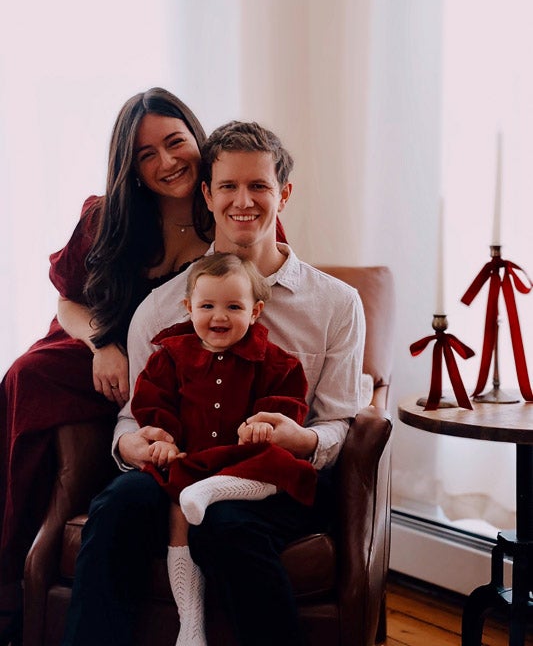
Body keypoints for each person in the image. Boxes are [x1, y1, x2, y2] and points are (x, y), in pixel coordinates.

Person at [62, 120, 367, 646]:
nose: (242, 201)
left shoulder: (336, 304)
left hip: (271, 479)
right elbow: (134, 413)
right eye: (227, 186)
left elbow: (339, 419)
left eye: (259, 186)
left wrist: (304, 440)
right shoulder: (161, 308)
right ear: (207, 193)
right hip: (178, 465)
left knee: (226, 525)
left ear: (283, 194)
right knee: (116, 509)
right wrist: (130, 443)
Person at [0, 87, 213, 644]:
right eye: (146, 155)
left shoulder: (228, 208)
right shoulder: (106, 217)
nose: (166, 162)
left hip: (176, 368)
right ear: (131, 167)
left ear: (196, 138)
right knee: (26, 376)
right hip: (98, 347)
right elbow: (66, 299)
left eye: (174, 143)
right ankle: (11, 570)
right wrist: (101, 343)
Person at [131, 252, 317, 645]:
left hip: (248, 463)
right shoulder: (170, 357)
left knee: (276, 465)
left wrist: (265, 424)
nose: (220, 316)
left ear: (255, 312)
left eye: (234, 306)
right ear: (189, 308)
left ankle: (215, 490)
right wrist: (161, 440)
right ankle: (191, 622)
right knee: (178, 502)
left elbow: (288, 406)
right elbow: (154, 406)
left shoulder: (275, 362)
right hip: (194, 464)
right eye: (207, 306)